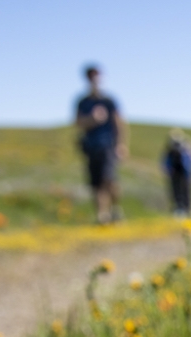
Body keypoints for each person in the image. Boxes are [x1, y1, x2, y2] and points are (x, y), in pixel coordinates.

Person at [74, 65, 127, 224]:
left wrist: (121, 145)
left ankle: (114, 209)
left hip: (108, 146)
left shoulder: (109, 101)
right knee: (96, 183)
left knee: (108, 179)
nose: (94, 80)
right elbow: (78, 123)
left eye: (96, 76)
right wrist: (93, 119)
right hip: (91, 147)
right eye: (91, 77)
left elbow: (119, 123)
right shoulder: (83, 102)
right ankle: (102, 215)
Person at [163, 129, 191, 218]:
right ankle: (179, 208)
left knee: (184, 191)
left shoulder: (185, 149)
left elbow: (190, 161)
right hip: (177, 173)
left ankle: (186, 209)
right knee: (176, 191)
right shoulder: (171, 151)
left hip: (183, 173)